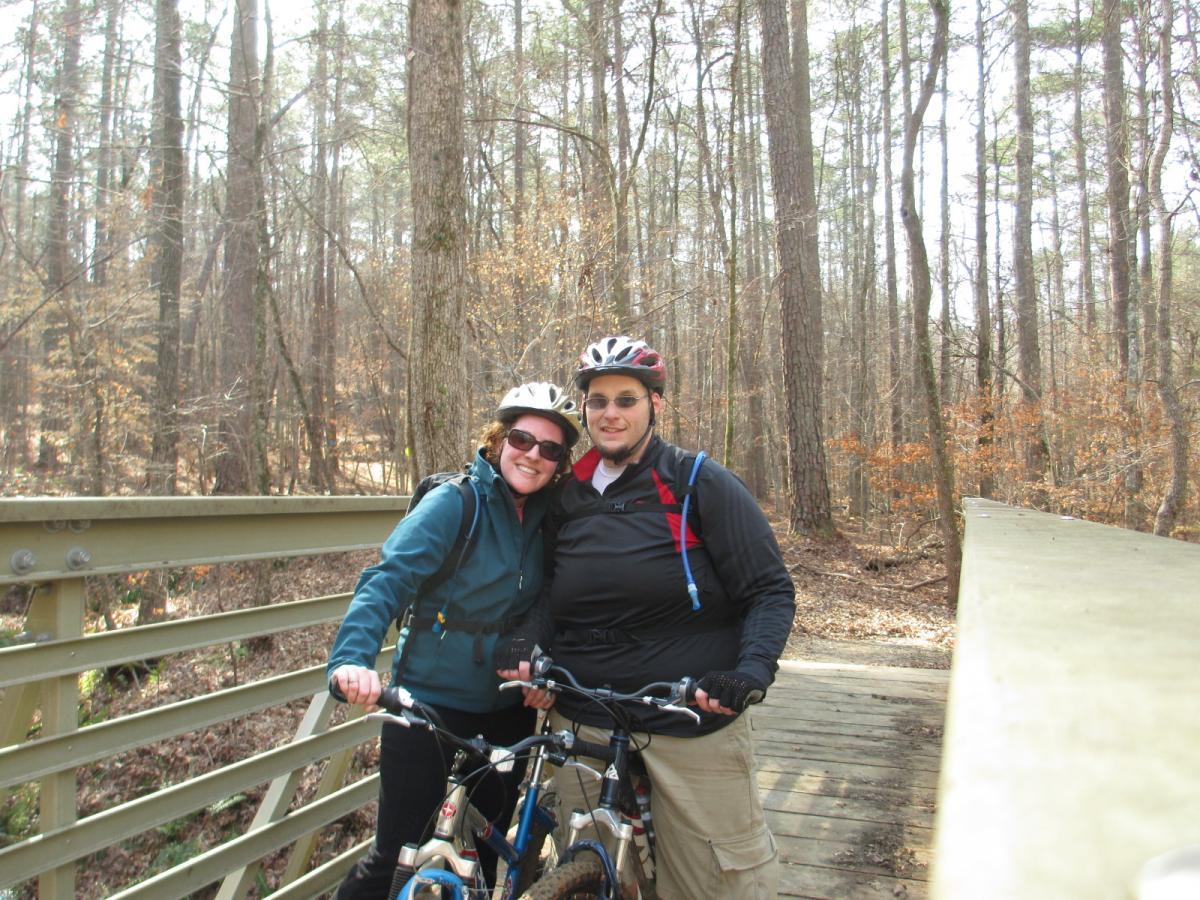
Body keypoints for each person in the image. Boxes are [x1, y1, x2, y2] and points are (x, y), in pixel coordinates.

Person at [497, 336, 795, 899]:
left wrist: (750, 673)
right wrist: (525, 641)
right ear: (584, 410)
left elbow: (769, 590)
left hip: (686, 711)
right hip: (583, 710)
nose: (611, 413)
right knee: (592, 868)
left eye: (626, 399)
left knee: (718, 880)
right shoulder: (567, 494)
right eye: (599, 400)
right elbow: (544, 594)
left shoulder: (698, 482)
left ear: (655, 405)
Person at [327, 382, 579, 899]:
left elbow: (549, 602)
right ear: (498, 440)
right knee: (396, 857)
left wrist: (540, 662)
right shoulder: (454, 502)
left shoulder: (547, 520)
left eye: (550, 449)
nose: (533, 455)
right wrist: (352, 658)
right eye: (522, 439)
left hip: (506, 711)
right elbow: (387, 580)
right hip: (428, 705)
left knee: (484, 861)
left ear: (560, 462)